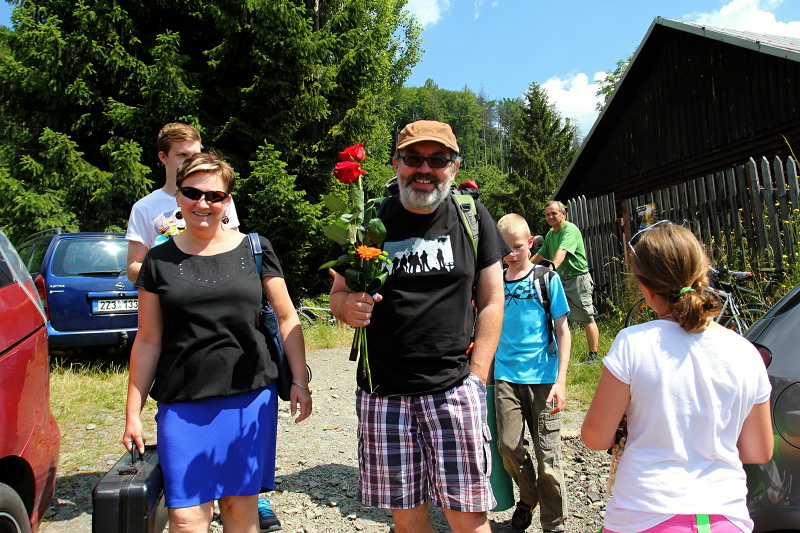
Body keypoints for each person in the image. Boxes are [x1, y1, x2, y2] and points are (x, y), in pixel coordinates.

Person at [329, 120, 509, 533]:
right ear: (396, 164)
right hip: (383, 396)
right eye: (413, 158)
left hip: (454, 389)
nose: (425, 169)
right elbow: (338, 295)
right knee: (407, 519)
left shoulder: (472, 216)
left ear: (454, 167)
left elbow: (492, 300)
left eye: (438, 160)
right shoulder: (368, 220)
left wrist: (478, 377)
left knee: (468, 518)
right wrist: (347, 308)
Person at [124, 152, 312, 533]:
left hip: (249, 401)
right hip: (181, 406)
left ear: (227, 201)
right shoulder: (157, 261)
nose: (203, 203)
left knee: (240, 512)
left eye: (214, 195)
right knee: (186, 517)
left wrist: (299, 381)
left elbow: (287, 317)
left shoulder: (255, 249)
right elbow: (148, 340)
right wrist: (132, 412)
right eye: (192, 193)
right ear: (178, 196)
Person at [581, 221, 773, 533]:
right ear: (703, 274)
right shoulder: (746, 352)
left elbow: (594, 437)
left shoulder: (633, 343)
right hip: (726, 517)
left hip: (643, 513)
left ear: (645, 289)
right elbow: (759, 451)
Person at [494, 214, 571, 533]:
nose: (512, 254)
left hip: (544, 380)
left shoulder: (547, 279)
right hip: (505, 378)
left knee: (548, 457)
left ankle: (553, 524)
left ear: (530, 243)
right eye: (505, 249)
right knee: (508, 447)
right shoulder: (494, 282)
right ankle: (528, 496)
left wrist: (561, 380)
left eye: (517, 247)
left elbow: (563, 331)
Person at [125, 122, 240, 283]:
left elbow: (236, 253)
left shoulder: (218, 199)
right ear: (163, 157)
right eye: (182, 155)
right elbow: (133, 270)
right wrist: (179, 271)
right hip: (169, 296)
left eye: (196, 154)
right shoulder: (144, 208)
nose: (191, 161)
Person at [531, 200, 600, 362]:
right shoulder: (551, 234)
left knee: (587, 318)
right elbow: (541, 254)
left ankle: (594, 356)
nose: (550, 217)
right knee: (559, 318)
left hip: (577, 279)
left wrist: (550, 269)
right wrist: (523, 267)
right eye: (547, 214)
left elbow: (561, 253)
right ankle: (559, 355)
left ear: (563, 214)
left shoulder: (570, 230)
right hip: (561, 279)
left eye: (554, 213)